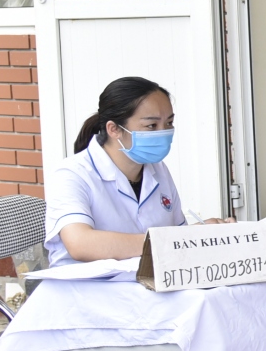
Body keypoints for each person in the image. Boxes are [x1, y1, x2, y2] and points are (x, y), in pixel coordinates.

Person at [45, 76, 193, 266]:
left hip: (142, 278)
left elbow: (177, 234)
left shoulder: (158, 169)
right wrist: (168, 242)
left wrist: (204, 235)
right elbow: (80, 243)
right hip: (86, 282)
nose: (163, 132)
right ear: (114, 129)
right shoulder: (71, 174)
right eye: (151, 126)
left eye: (169, 123)